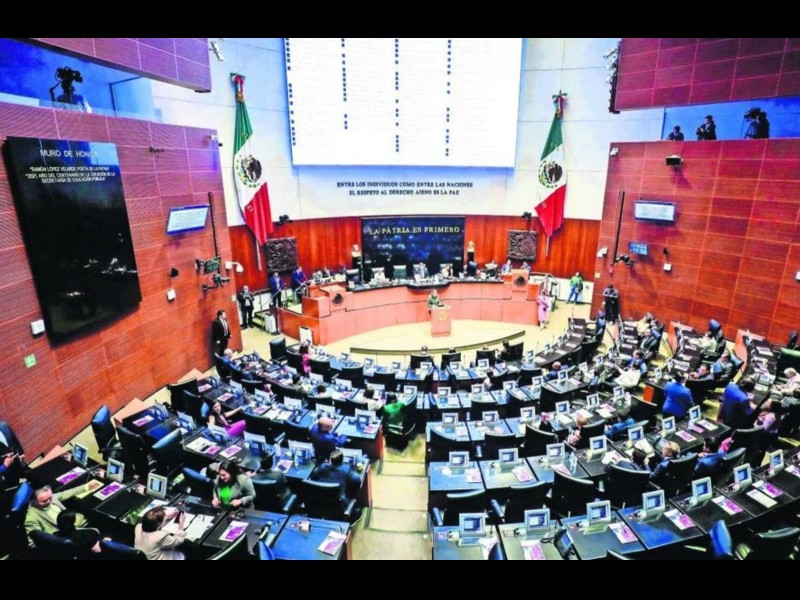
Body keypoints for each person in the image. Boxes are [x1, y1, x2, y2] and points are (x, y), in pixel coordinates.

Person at [24, 483, 98, 544]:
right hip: (63, 536)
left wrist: (86, 487)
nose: (49, 502)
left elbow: (68, 493)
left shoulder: (49, 497)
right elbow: (33, 542)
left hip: (71, 523)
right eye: (44, 501)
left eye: (50, 498)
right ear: (34, 501)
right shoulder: (31, 518)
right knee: (95, 532)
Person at [313, 449, 363, 520]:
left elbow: (314, 476)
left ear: (330, 460)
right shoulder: (346, 469)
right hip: (338, 506)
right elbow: (357, 481)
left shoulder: (323, 467)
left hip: (320, 503)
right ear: (342, 460)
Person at [0, 420, 26, 490]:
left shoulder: (4, 425)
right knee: (14, 487)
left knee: (31, 476)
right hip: (7, 469)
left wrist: (21, 452)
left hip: (18, 461)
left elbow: (14, 439)